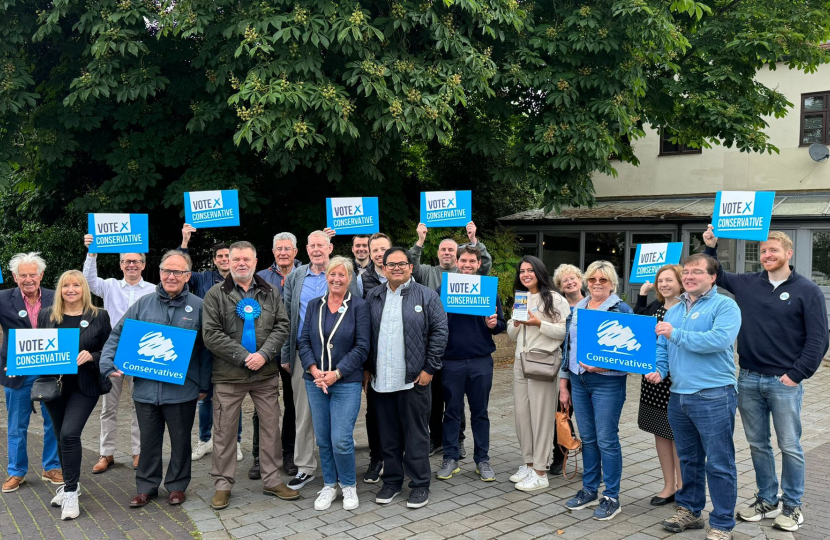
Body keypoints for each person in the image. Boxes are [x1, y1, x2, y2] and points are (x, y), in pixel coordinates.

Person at [703, 227, 829, 532]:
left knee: (789, 446)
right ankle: (766, 500)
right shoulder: (748, 283)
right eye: (762, 251)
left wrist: (796, 375)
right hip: (747, 378)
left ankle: (793, 506)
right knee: (758, 444)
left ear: (788, 253)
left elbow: (819, 338)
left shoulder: (807, 290)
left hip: (784, 382)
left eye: (773, 250)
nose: (767, 255)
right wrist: (710, 247)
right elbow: (716, 275)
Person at [99, 250, 211, 508]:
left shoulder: (199, 306)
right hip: (146, 390)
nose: (171, 276)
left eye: (178, 272)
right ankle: (146, 487)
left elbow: (206, 349)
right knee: (148, 441)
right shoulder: (143, 304)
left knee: (181, 440)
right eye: (166, 271)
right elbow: (118, 334)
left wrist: (204, 385)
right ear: (159, 273)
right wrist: (107, 363)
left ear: (187, 275)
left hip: (183, 389)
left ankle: (177, 486)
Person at [646, 253, 742, 540]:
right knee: (688, 459)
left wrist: (676, 334)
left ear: (712, 277)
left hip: (714, 394)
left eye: (696, 272)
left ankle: (723, 522)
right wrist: (660, 371)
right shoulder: (674, 309)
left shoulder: (726, 305)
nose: (688, 276)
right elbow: (663, 349)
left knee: (720, 462)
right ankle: (690, 510)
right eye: (686, 272)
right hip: (678, 396)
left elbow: (718, 340)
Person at [203, 241, 298, 509]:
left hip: (265, 373)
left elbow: (282, 325)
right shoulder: (214, 294)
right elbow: (211, 334)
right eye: (236, 260)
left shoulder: (270, 292)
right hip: (228, 375)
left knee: (270, 429)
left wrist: (265, 354)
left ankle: (272, 481)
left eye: (246, 259)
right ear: (227, 262)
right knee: (224, 431)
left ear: (256, 262)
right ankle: (222, 485)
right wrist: (244, 356)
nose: (241, 263)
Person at [365, 247, 448, 509]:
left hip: (414, 379)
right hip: (382, 381)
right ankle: (391, 481)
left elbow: (440, 333)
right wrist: (367, 369)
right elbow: (365, 337)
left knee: (416, 435)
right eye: (392, 264)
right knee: (388, 436)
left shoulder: (427, 296)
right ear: (384, 268)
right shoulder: (373, 296)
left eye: (402, 264)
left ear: (411, 267)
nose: (397, 268)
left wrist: (430, 369)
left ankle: (420, 484)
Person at [281, 230, 359, 490]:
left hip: (341, 359)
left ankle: (340, 466)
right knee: (304, 414)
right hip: (305, 356)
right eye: (312, 245)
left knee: (339, 416)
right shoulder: (295, 277)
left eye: (321, 245)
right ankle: (305, 466)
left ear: (330, 247)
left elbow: (357, 311)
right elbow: (287, 319)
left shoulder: (346, 274)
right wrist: (286, 354)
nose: (316, 249)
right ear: (305, 248)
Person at [560, 260, 632, 520]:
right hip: (578, 380)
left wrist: (602, 366)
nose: (597, 284)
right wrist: (564, 382)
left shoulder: (621, 309)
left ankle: (612, 496)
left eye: (603, 279)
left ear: (612, 283)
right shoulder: (578, 308)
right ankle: (589, 490)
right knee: (588, 439)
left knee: (606, 440)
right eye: (592, 279)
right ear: (586, 282)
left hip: (608, 382)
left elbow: (631, 351)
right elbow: (567, 347)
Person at [38, 270, 112, 520]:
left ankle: (70, 491)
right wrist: (18, 365)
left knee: (70, 433)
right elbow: (36, 348)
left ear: (84, 289)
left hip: (85, 385)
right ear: (59, 290)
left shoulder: (99, 316)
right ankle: (73, 483)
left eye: (76, 285)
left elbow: (109, 350)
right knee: (60, 435)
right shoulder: (47, 315)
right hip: (54, 386)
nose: (71, 290)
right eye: (65, 285)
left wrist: (93, 356)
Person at [409, 222, 488, 456]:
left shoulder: (466, 274)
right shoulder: (427, 272)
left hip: (458, 348)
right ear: (437, 253)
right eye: (443, 249)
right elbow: (410, 266)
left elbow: (484, 268)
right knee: (433, 397)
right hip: (432, 347)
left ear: (457, 256)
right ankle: (436, 439)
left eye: (451, 250)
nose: (446, 253)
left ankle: (458, 438)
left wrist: (474, 241)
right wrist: (420, 240)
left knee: (455, 399)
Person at [298, 257, 370, 511]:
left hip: (345, 381)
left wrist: (336, 373)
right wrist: (314, 369)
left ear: (349, 279)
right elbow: (304, 340)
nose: (336, 279)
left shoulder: (359, 307)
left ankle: (348, 485)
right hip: (315, 381)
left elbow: (362, 347)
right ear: (326, 276)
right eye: (332, 274)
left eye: (342, 275)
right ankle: (329, 484)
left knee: (341, 439)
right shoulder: (314, 305)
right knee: (324, 439)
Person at [83, 236, 155, 474]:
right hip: (112, 351)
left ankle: (139, 451)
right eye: (126, 261)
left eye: (135, 261)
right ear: (120, 264)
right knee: (108, 406)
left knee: (140, 404)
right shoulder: (110, 285)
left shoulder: (154, 290)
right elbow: (89, 281)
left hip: (141, 353)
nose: (130, 265)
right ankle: (106, 453)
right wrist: (92, 253)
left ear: (143, 265)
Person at [436, 245, 506, 483]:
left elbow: (501, 325)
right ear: (457, 262)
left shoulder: (488, 290)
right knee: (452, 412)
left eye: (471, 261)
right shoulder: (443, 290)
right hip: (451, 361)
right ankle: (450, 457)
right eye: (463, 260)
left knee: (480, 413)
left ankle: (482, 459)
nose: (467, 265)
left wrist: (493, 324)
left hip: (480, 361)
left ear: (478, 264)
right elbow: (433, 325)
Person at [179, 227, 244, 464]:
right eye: (220, 257)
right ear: (215, 260)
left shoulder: (242, 278)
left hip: (233, 348)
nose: (225, 260)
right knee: (205, 396)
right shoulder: (203, 278)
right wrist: (185, 241)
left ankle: (235, 441)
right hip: (206, 347)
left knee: (233, 396)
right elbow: (182, 269)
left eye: (228, 256)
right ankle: (205, 440)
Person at [1, 252, 62, 493]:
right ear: (15, 277)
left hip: (49, 369)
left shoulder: (55, 296)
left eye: (32, 274)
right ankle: (16, 472)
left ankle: (51, 467)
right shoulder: (3, 299)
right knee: (16, 424)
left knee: (52, 421)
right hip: (16, 372)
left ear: (41, 275)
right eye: (23, 275)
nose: (28, 279)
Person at [506, 256, 568, 492]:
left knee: (541, 418)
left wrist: (538, 323)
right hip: (520, 363)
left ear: (540, 272)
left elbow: (564, 332)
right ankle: (529, 464)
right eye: (522, 271)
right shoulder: (521, 297)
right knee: (523, 417)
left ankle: (541, 471)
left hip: (542, 362)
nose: (525, 274)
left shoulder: (554, 299)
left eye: (530, 270)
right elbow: (512, 335)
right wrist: (518, 322)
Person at [635, 265, 684, 506]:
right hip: (653, 381)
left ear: (681, 282)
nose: (664, 284)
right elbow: (637, 329)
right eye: (661, 280)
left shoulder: (688, 308)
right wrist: (642, 294)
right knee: (661, 432)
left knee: (679, 435)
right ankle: (669, 485)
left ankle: (684, 487)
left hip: (677, 381)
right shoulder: (655, 307)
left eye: (669, 280)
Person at [254, 232, 302, 479]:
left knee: (293, 404)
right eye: (278, 249)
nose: (283, 253)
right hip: (265, 350)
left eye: (288, 249)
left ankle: (290, 454)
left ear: (295, 252)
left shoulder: (306, 275)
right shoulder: (260, 277)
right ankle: (258, 457)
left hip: (295, 349)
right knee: (262, 405)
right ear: (273, 252)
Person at [355, 231, 391, 483]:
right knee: (374, 411)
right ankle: (376, 457)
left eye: (383, 249)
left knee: (399, 410)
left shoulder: (402, 274)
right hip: (374, 356)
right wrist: (365, 366)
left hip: (400, 355)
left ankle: (395, 457)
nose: (378, 253)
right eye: (374, 249)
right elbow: (359, 323)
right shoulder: (360, 281)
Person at [549, 264, 584, 475]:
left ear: (580, 280)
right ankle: (559, 455)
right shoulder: (558, 307)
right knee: (561, 414)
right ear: (561, 287)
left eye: (573, 278)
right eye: (565, 281)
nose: (570, 282)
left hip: (589, 369)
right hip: (564, 368)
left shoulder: (592, 305)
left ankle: (590, 459)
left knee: (589, 419)